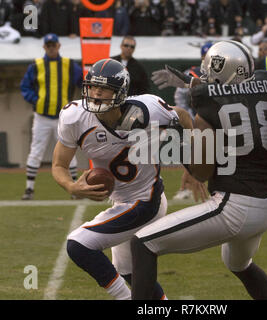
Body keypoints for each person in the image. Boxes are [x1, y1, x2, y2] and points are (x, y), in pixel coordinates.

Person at [131, 40, 267, 300]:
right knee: (238, 264)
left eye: (209, 73)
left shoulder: (207, 107)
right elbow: (231, 92)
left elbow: (201, 173)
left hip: (236, 205)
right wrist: (192, 84)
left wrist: (182, 136)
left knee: (143, 244)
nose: (204, 78)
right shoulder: (266, 86)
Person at [51, 58, 205, 299]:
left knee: (78, 245)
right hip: (122, 201)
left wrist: (195, 166)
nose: (96, 93)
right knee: (130, 273)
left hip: (146, 200)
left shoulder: (148, 109)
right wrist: (71, 185)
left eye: (104, 88)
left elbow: (183, 116)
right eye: (92, 86)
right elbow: (59, 164)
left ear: (120, 92)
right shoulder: (75, 117)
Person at [20, 33, 82, 200]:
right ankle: (29, 189)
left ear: (59, 46)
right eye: (49, 45)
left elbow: (83, 83)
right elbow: (25, 87)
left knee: (70, 150)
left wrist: (78, 104)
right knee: (36, 151)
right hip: (42, 117)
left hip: (63, 117)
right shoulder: (36, 65)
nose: (51, 48)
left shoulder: (69, 65)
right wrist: (37, 100)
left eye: (54, 45)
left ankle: (75, 188)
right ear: (44, 47)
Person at [171, 41, 213, 201]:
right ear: (202, 56)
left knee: (202, 156)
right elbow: (180, 95)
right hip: (197, 118)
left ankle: (187, 188)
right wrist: (186, 116)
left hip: (212, 118)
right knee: (197, 155)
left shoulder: (221, 72)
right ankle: (185, 189)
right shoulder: (193, 72)